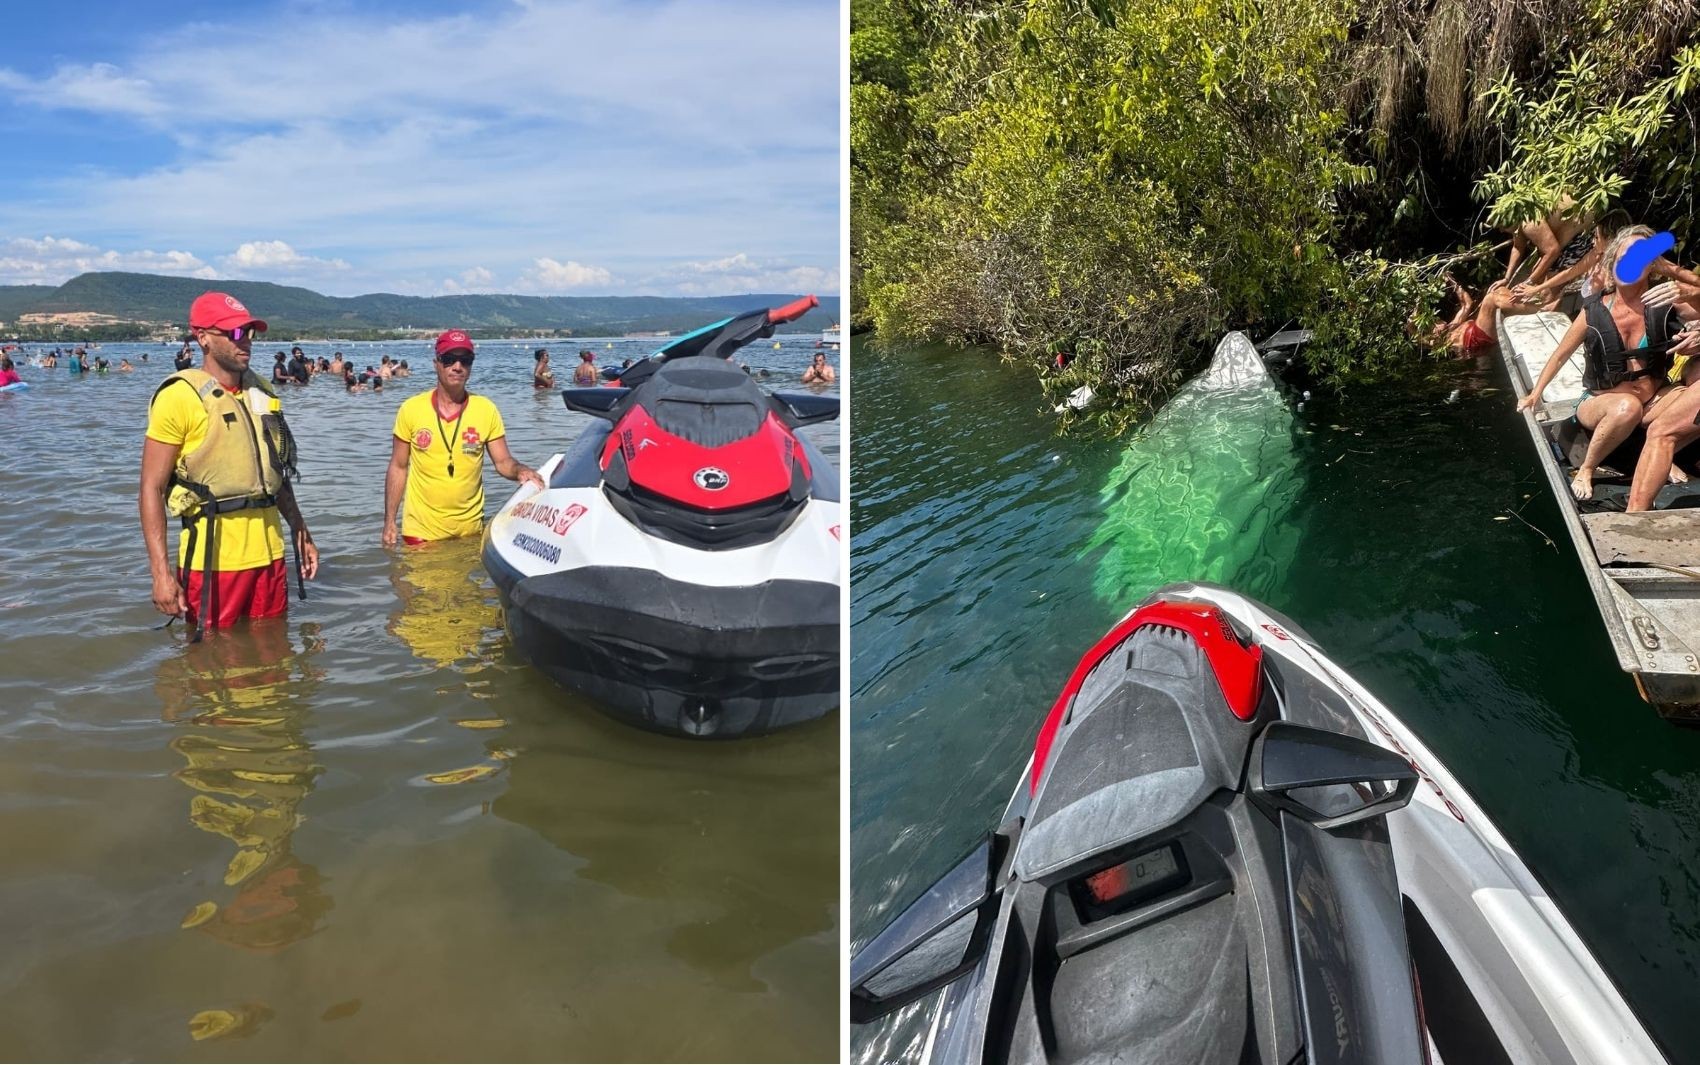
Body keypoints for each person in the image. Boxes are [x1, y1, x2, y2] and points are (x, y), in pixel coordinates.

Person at [139, 291, 319, 635]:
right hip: (213, 562)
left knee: (275, 648)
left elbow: (276, 472)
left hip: (270, 555)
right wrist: (160, 574)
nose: (245, 341)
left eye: (249, 332)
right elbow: (151, 487)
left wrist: (300, 530)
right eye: (235, 333)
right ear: (203, 337)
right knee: (211, 656)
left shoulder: (261, 391)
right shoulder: (179, 397)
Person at [1518, 226, 1690, 501]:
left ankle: (1661, 453)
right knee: (1627, 406)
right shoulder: (1593, 310)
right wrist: (1535, 393)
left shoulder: (1666, 301)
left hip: (1652, 401)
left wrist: (1680, 284)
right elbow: (1561, 354)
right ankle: (1587, 468)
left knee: (1691, 398)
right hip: (1599, 403)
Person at [382, 329, 542, 547]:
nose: (458, 366)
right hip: (421, 532)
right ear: (436, 363)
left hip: (470, 532)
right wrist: (389, 521)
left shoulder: (485, 409)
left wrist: (521, 471)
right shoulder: (411, 409)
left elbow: (503, 461)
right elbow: (398, 467)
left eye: (465, 360)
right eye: (449, 359)